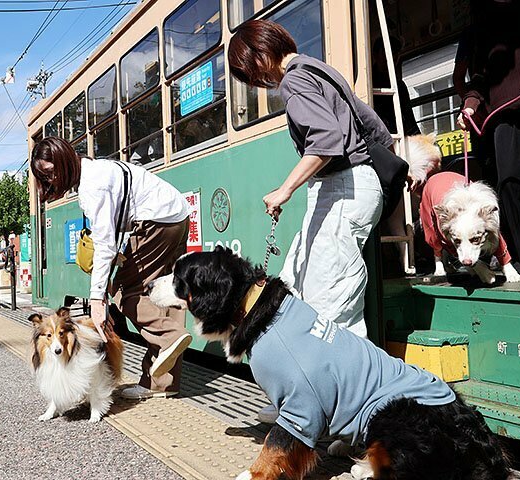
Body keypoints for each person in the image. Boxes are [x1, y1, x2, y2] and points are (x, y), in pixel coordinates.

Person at [229, 19, 391, 339]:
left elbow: (326, 142)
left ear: (261, 55)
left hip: (343, 188)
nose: (260, 82)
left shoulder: (294, 80)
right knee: (296, 278)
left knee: (330, 303)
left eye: (254, 73)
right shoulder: (320, 70)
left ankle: (348, 384)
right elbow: (377, 129)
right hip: (352, 186)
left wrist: (284, 191)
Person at [30, 136, 192, 399]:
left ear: (64, 160)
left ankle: (169, 337)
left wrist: (96, 298)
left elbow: (104, 244)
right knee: (165, 295)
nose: (51, 180)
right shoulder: (95, 169)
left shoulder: (93, 185)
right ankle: (163, 384)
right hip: (176, 217)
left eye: (51, 172)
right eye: (44, 176)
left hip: (156, 222)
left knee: (126, 291)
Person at [456, 0, 520, 275]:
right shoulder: (483, 29)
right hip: (502, 116)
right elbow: (479, 79)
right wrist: (470, 104)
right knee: (507, 184)